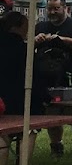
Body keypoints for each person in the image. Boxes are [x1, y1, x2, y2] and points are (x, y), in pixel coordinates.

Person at [35, 0, 72, 157]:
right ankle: (56, 147)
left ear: (65, 8)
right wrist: (35, 40)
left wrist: (63, 39)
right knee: (52, 117)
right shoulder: (40, 26)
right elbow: (26, 46)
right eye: (49, 9)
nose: (52, 12)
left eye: (56, 8)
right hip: (47, 80)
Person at [0, 11, 47, 164]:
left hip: (1, 100)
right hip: (21, 99)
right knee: (29, 129)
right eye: (26, 26)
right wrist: (46, 97)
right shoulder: (23, 50)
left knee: (2, 134)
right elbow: (35, 77)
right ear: (17, 27)